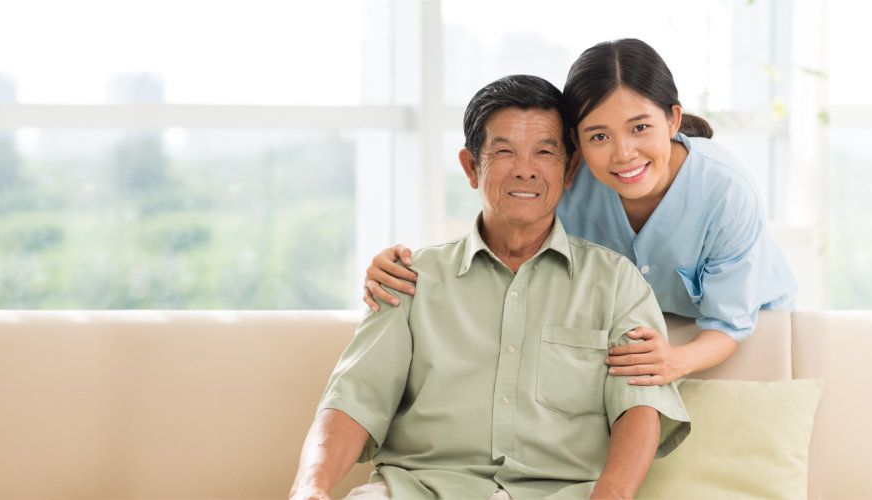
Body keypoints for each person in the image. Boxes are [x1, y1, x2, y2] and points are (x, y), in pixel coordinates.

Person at [289, 75, 690, 500]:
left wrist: (611, 495)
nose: (525, 169)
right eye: (504, 151)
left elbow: (639, 407)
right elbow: (354, 400)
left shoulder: (615, 282)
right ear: (470, 167)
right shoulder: (407, 279)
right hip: (419, 490)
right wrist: (309, 488)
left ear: (570, 168)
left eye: (545, 152)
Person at [362, 38, 797, 386]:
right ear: (576, 142)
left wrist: (676, 360)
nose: (623, 154)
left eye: (640, 127)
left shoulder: (724, 190)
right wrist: (402, 270)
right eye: (598, 135)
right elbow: (503, 238)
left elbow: (729, 322)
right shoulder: (567, 179)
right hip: (630, 329)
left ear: (672, 119)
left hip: (739, 330)